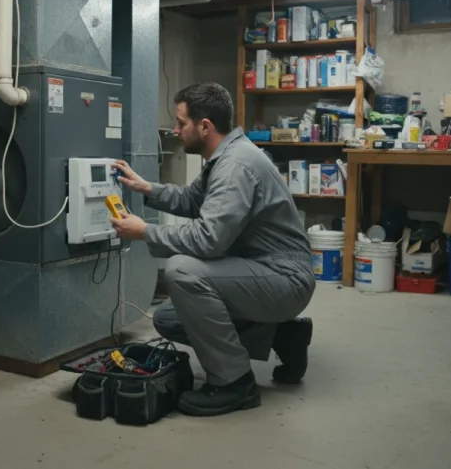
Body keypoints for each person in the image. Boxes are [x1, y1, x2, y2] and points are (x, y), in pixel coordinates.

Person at [109, 82, 315, 417]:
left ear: (205, 126)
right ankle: (282, 333)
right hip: (263, 271)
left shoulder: (235, 166)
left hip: (284, 279)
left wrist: (145, 232)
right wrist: (146, 188)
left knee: (183, 272)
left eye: (181, 123)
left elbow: (208, 239)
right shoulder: (225, 156)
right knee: (169, 318)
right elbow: (193, 200)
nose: (176, 131)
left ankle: (234, 382)